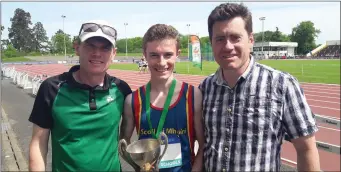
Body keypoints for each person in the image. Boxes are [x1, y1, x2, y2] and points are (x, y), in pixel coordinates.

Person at [199, 3, 320, 172]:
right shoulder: (204, 88)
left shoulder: (282, 85)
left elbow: (306, 148)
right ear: (211, 42)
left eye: (235, 37)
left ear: (250, 40)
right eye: (220, 39)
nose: (227, 46)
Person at [28, 20, 132, 171]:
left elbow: (127, 137)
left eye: (105, 48)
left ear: (114, 53)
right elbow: (38, 143)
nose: (97, 53)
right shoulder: (51, 88)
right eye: (90, 45)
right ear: (77, 48)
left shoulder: (121, 89)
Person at [120, 24, 204, 172]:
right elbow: (124, 144)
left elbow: (203, 146)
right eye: (154, 55)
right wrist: (138, 166)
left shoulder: (193, 95)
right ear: (145, 55)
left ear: (177, 53)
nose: (162, 62)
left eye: (168, 54)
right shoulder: (132, 101)